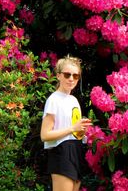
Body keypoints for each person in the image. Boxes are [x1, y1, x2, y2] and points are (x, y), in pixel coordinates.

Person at [40, 55, 92, 191]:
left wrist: (81, 130)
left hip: (76, 150)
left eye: (75, 76)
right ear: (58, 76)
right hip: (60, 152)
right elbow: (45, 135)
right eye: (67, 74)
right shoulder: (53, 100)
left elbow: (73, 132)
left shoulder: (73, 100)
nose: (71, 79)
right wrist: (72, 128)